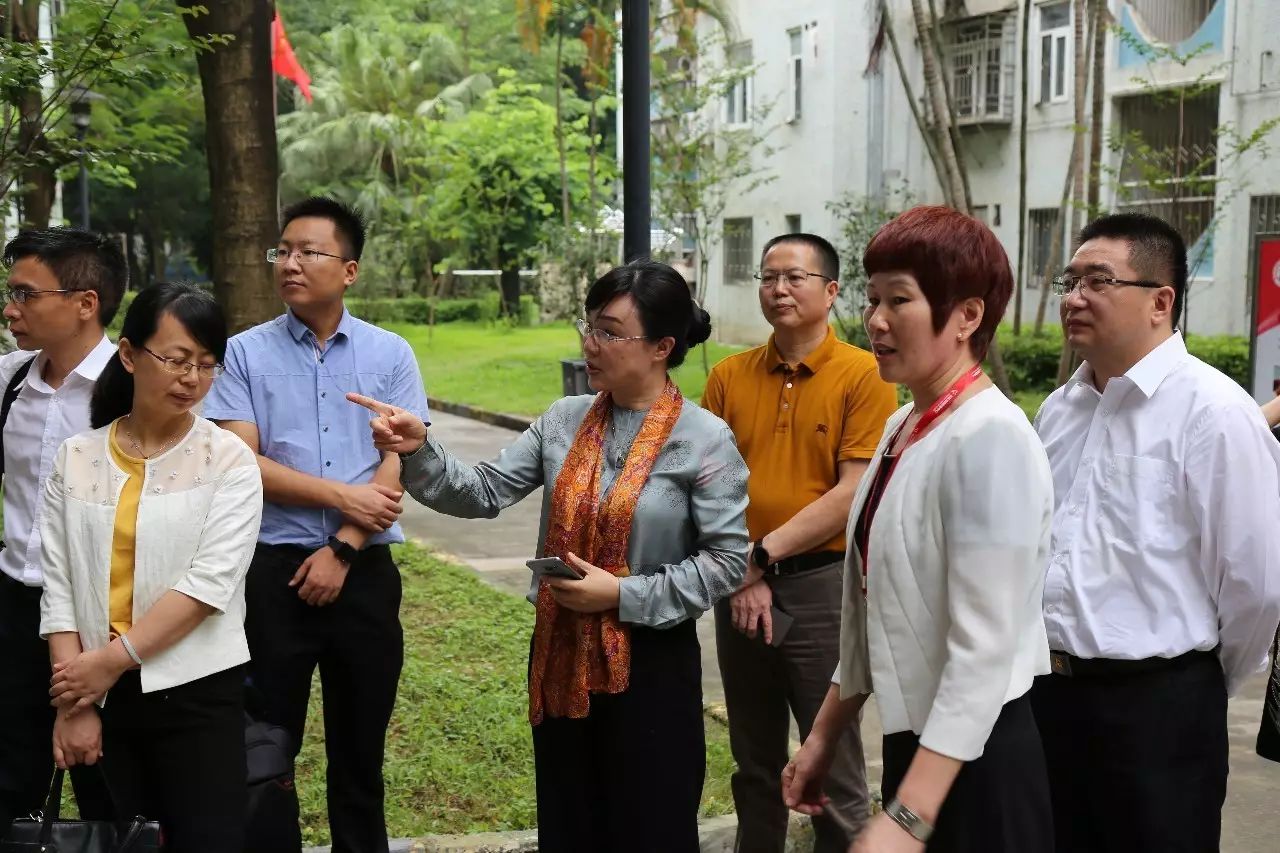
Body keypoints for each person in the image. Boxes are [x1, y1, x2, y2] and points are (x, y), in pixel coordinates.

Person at [348, 260, 749, 853]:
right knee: (570, 817)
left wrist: (621, 594)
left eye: (611, 332)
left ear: (663, 346)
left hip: (652, 663)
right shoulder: (565, 419)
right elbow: (483, 490)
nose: (591, 344)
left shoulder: (704, 438)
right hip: (560, 653)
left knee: (651, 822)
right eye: (588, 326)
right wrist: (418, 448)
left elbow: (726, 561)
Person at [783, 206, 1056, 852]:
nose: (875, 320)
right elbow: (871, 611)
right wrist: (823, 737)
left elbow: (982, 648)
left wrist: (909, 816)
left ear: (967, 315)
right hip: (920, 745)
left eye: (898, 299)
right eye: (872, 298)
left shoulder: (990, 437)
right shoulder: (901, 427)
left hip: (979, 758)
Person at [1031, 212, 1280, 853]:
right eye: (1070, 280)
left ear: (1160, 301)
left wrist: (1191, 682)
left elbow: (1256, 587)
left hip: (1158, 713)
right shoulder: (1061, 408)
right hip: (1047, 699)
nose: (1073, 297)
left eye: (1098, 280)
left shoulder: (1215, 413)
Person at [203, 196, 429, 853]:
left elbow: (398, 460)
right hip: (274, 577)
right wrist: (342, 498)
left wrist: (344, 544)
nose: (290, 263)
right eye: (283, 250)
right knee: (267, 752)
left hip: (363, 577)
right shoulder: (243, 353)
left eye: (309, 251)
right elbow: (241, 461)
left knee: (360, 757)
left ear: (350, 269)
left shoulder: (390, 353)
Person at [39, 283, 262, 853]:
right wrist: (77, 703)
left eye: (207, 365)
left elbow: (209, 585)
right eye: (178, 359)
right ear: (130, 354)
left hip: (195, 692)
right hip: (97, 695)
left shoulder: (228, 460)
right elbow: (59, 584)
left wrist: (110, 664)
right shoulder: (78, 456)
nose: (191, 377)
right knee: (118, 840)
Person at [701, 232, 896, 852]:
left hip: (818, 591)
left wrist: (760, 559)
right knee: (754, 762)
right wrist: (743, 572)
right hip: (738, 588)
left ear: (832, 291)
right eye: (767, 277)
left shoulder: (864, 375)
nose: (778, 289)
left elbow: (853, 491)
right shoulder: (731, 376)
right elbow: (704, 485)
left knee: (830, 763)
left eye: (794, 277)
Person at [0, 228, 125, 831]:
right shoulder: (10, 380)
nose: (10, 309)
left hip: (104, 613)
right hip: (17, 603)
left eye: (25, 294)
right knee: (12, 779)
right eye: (10, 293)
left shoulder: (131, 391)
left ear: (85, 302)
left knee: (112, 785)